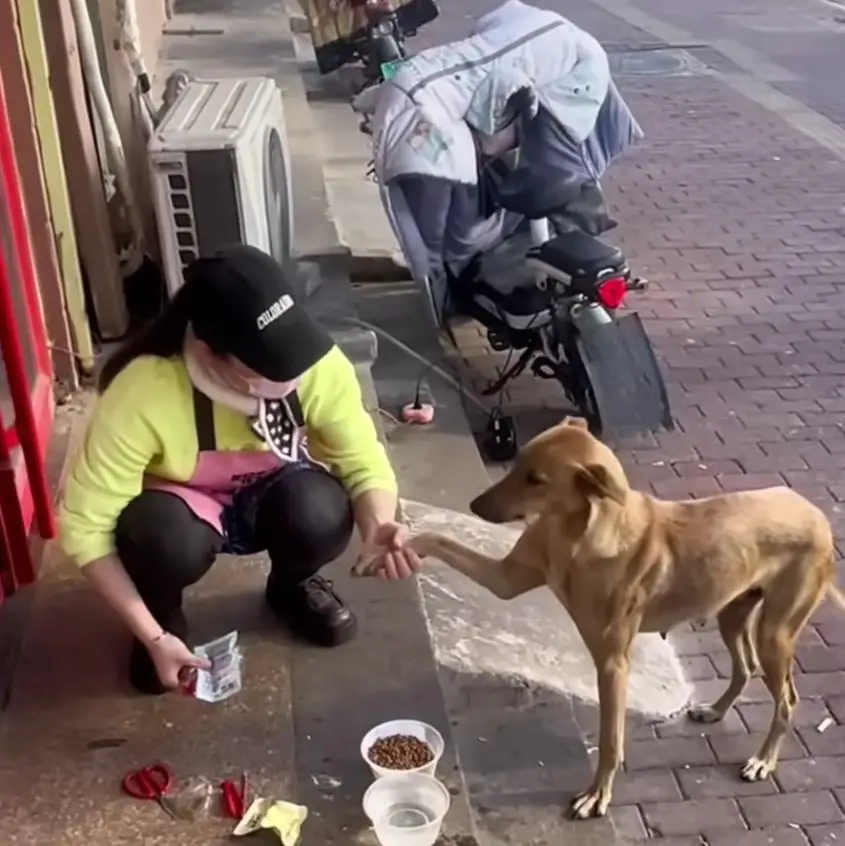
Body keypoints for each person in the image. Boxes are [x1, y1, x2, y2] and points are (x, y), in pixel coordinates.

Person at [58, 245, 421, 696]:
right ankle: (161, 616)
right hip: (183, 510)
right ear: (210, 353)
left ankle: (291, 586)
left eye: (292, 353)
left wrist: (380, 522)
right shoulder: (145, 391)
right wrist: (151, 635)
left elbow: (363, 462)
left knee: (321, 511)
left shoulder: (319, 366)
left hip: (276, 489)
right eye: (267, 364)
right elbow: (85, 529)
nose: (289, 375)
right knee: (157, 538)